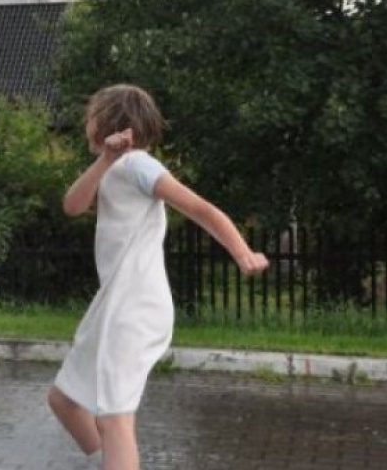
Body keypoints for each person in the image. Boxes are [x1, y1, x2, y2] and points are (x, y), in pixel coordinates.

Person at [50, 84, 268, 470]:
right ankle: (112, 462)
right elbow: (72, 204)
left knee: (114, 417)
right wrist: (105, 158)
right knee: (64, 400)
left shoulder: (138, 165)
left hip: (134, 307)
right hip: (113, 306)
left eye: (91, 116)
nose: (86, 123)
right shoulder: (115, 166)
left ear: (111, 121)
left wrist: (242, 252)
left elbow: (201, 209)